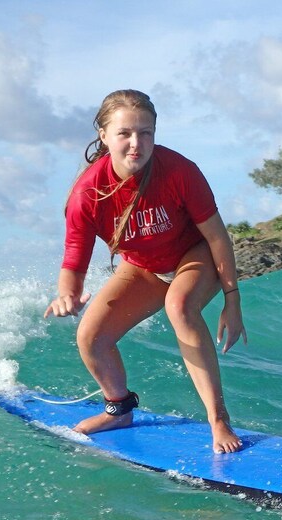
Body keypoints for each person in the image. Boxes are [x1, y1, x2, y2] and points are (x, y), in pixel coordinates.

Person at [44, 89, 247, 454]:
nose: (136, 143)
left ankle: (219, 419)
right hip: (143, 267)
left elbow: (217, 237)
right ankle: (119, 409)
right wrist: (67, 296)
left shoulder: (179, 171)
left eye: (146, 132)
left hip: (193, 256)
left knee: (180, 305)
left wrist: (232, 298)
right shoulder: (87, 194)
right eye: (125, 133)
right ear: (104, 135)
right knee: (91, 336)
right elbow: (74, 259)